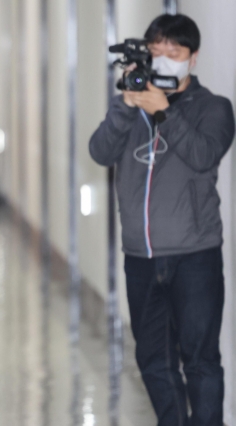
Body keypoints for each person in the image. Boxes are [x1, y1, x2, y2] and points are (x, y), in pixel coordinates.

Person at [90, 14, 235, 426]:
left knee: (201, 359)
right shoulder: (132, 104)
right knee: (153, 361)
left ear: (193, 58)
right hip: (140, 257)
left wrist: (165, 111)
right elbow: (100, 152)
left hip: (195, 256)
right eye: (157, 53)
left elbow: (205, 154)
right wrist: (126, 105)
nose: (166, 60)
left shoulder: (215, 108)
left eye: (175, 53)